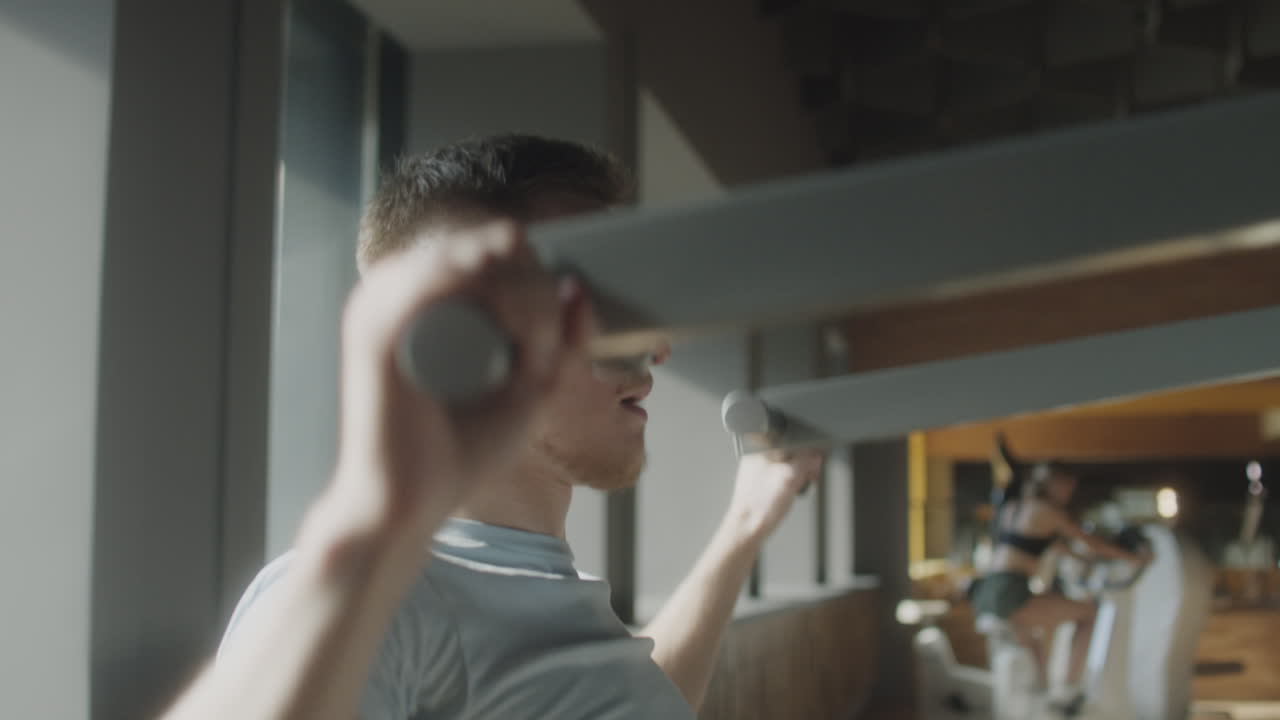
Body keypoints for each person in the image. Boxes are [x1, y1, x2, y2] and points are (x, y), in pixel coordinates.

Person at [161, 134, 823, 720]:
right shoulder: (387, 602)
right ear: (464, 337)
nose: (656, 350)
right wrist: (375, 523)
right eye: (597, 315)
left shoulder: (530, 594)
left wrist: (746, 524)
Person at [971, 460, 1148, 705]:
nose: (1069, 493)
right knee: (1088, 613)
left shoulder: (1014, 507)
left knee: (1034, 644)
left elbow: (1047, 545)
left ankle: (1044, 704)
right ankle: (1068, 690)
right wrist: (1135, 558)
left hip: (987, 592)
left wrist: (1083, 559)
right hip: (1010, 592)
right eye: (1067, 487)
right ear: (1054, 484)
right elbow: (1092, 542)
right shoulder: (1047, 511)